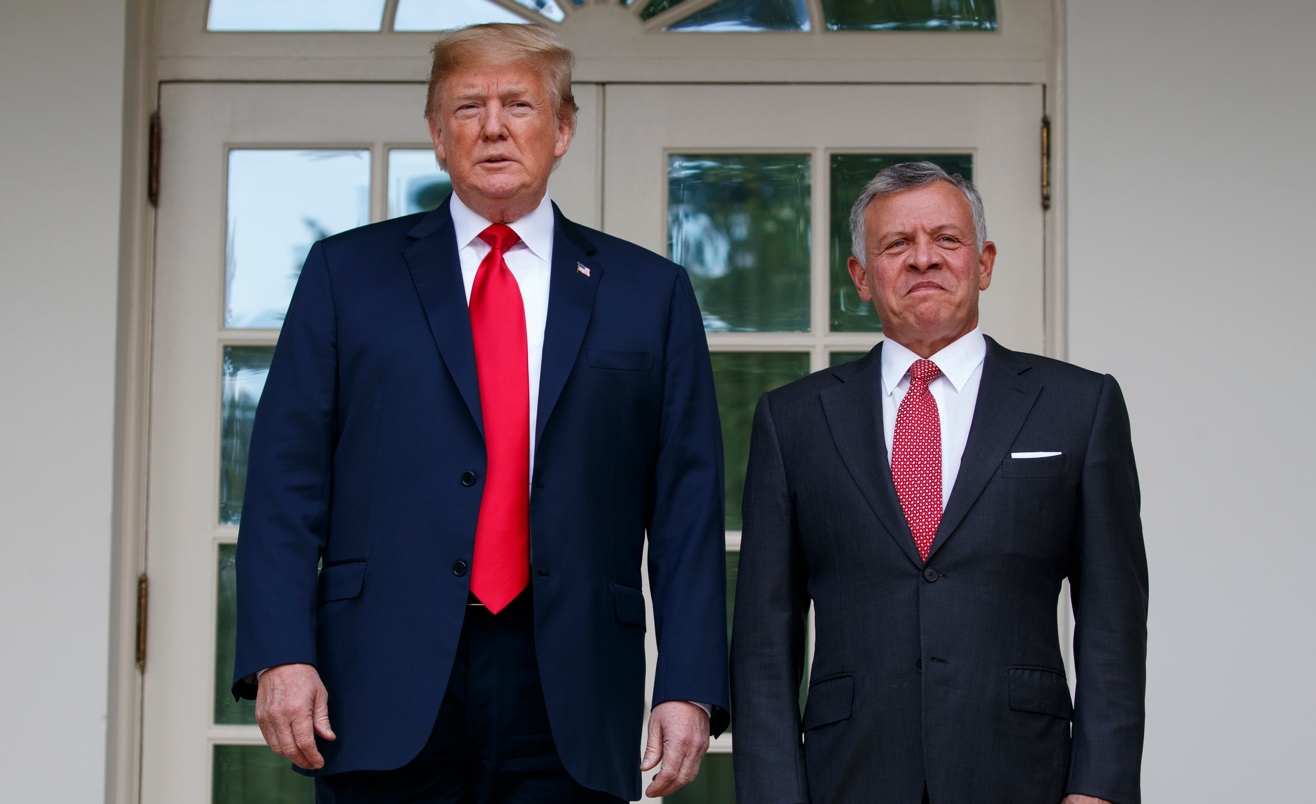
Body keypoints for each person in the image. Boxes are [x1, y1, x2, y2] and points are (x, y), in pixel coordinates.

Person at [232, 23, 729, 803]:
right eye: (468, 107)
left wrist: (690, 683)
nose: (494, 126)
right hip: (379, 674)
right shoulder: (346, 274)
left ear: (562, 130)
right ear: (438, 135)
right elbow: (284, 481)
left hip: (571, 681)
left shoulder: (649, 293)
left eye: (519, 105)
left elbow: (687, 507)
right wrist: (280, 652)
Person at [730, 162, 1147, 804]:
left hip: (1024, 774)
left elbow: (1113, 619)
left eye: (946, 239)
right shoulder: (794, 420)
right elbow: (765, 637)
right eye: (897, 244)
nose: (923, 258)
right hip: (849, 777)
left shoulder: (1079, 406)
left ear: (984, 263)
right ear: (861, 277)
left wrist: (1100, 789)